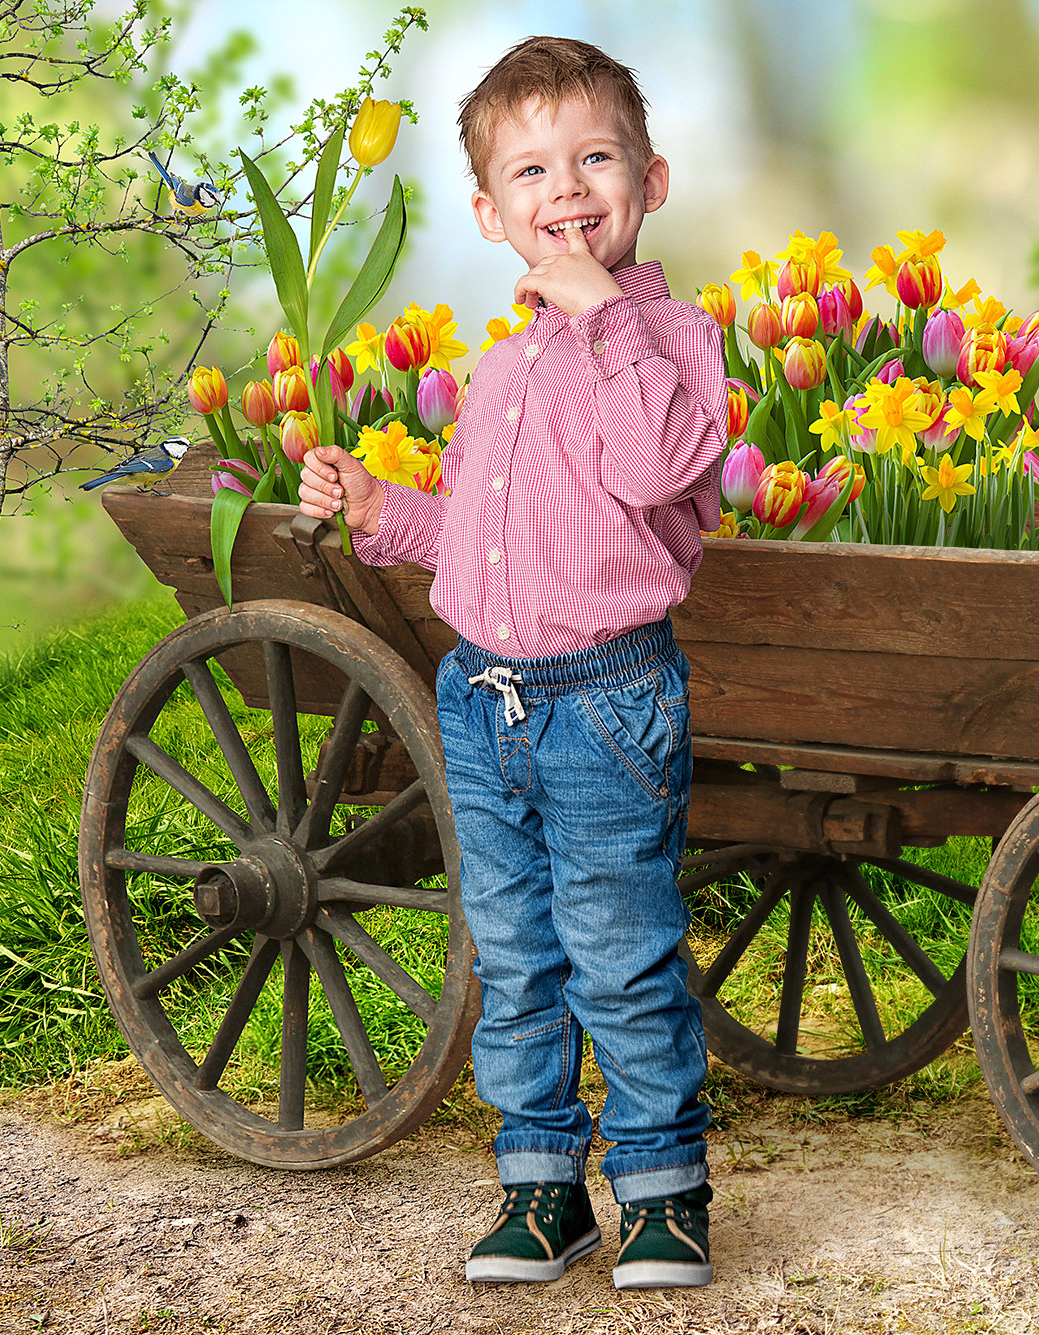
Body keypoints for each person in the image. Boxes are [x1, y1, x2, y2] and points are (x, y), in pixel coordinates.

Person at [297, 35, 723, 1290]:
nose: (568, 190)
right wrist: (379, 504)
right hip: (483, 698)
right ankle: (542, 1187)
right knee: (514, 951)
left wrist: (606, 324)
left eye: (595, 158)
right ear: (492, 213)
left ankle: (661, 1191)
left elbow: (654, 476)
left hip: (606, 701)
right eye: (532, 171)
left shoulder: (673, 343)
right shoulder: (498, 369)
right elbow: (478, 549)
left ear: (650, 181)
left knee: (617, 944)